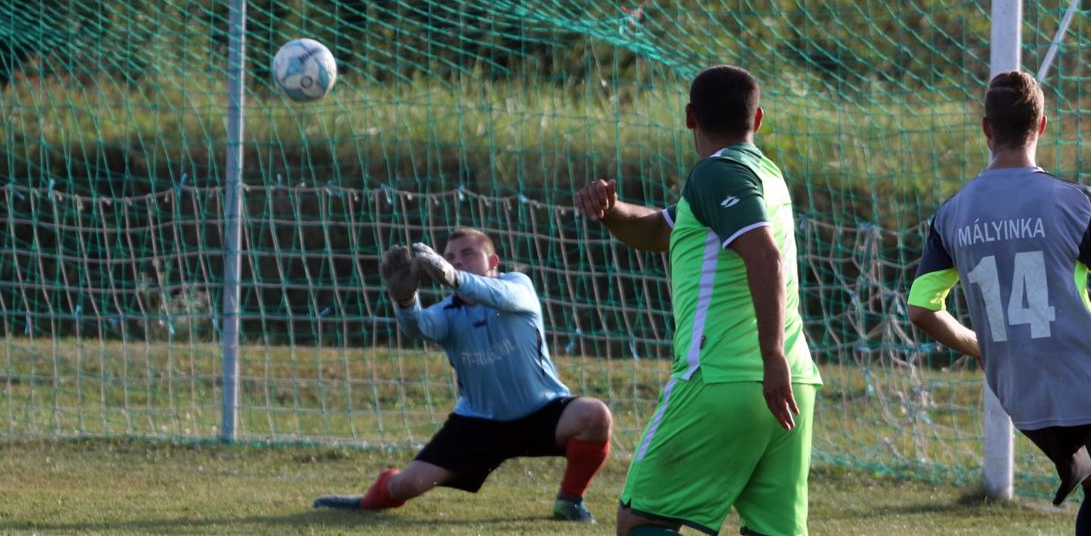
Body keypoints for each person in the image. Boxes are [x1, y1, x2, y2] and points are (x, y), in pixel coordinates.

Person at [906, 70, 1091, 536]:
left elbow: (920, 309)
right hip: (1090, 383)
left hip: (1021, 389)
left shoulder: (951, 214)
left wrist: (982, 346)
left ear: (986, 128)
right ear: (1042, 126)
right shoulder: (1074, 202)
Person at [575, 64, 823, 536]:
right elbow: (660, 230)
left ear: (690, 117)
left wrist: (769, 356)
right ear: (759, 119)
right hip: (794, 384)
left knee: (639, 522)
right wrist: (611, 212)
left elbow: (764, 257)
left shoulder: (716, 174)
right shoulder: (766, 176)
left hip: (722, 378)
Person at [312, 227, 613, 523]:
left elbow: (500, 294)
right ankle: (365, 500)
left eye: (467, 254)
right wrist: (405, 302)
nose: (456, 260)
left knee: (595, 415)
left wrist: (456, 277)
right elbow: (417, 327)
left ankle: (570, 499)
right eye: (450, 257)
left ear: (493, 262)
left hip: (542, 411)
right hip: (478, 423)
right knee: (407, 486)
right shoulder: (447, 312)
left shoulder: (518, 286)